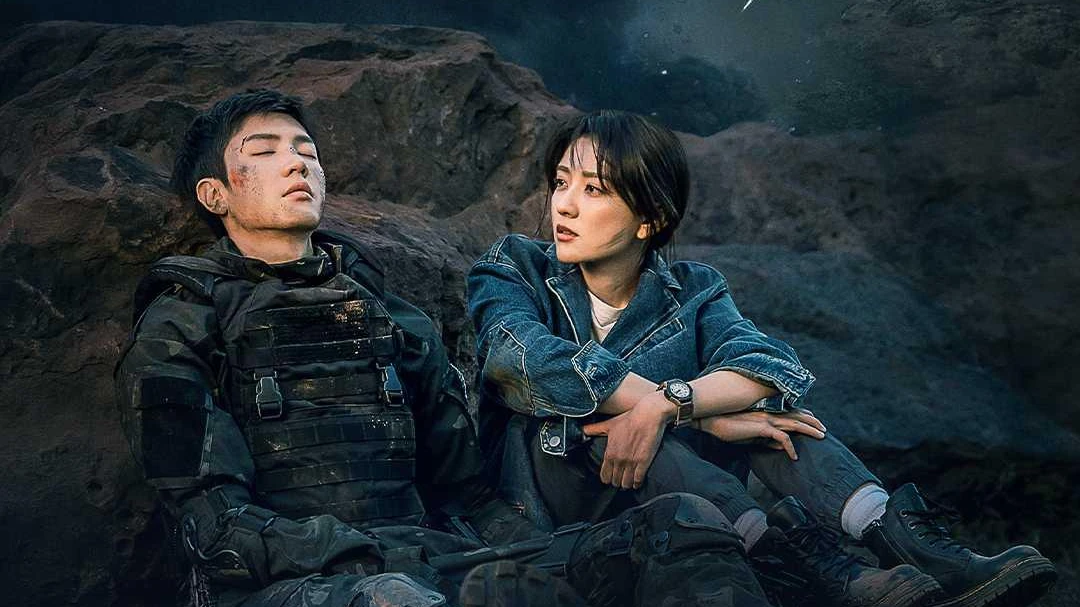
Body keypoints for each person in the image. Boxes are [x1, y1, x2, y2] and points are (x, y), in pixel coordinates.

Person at [115, 89, 776, 607]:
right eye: (264, 152)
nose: (297, 163)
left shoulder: (388, 314)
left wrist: (548, 555)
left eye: (307, 151)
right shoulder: (182, 323)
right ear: (215, 194)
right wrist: (363, 554)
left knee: (681, 525)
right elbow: (214, 528)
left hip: (429, 558)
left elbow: (469, 493)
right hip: (294, 584)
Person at [467, 109, 1058, 607]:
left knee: (777, 424)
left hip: (681, 500)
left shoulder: (694, 291)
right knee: (623, 424)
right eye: (561, 183)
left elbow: (765, 364)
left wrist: (672, 404)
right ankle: (801, 566)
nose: (564, 206)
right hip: (556, 496)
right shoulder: (515, 266)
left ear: (651, 219)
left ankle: (912, 547)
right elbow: (518, 358)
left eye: (593, 190)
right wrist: (693, 413)